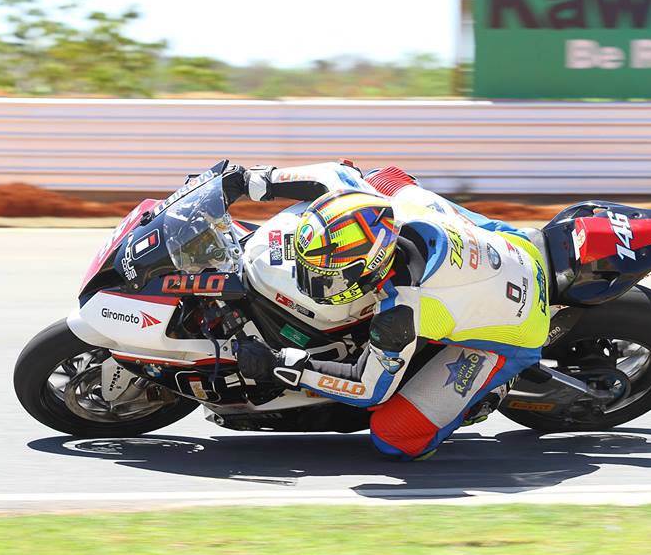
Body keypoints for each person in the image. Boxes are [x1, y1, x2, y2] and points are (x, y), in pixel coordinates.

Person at [226, 161, 552, 460]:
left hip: (521, 326)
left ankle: (491, 389)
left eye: (329, 278)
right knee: (385, 176)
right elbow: (330, 172)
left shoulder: (401, 312)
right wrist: (249, 180)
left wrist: (281, 365)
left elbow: (368, 388)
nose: (311, 282)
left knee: (394, 438)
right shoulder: (372, 200)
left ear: (372, 269)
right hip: (513, 243)